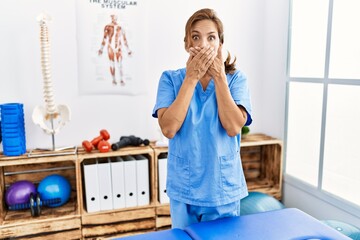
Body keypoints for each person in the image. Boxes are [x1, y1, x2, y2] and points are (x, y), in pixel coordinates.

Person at [152, 8, 252, 229]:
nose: (204, 44)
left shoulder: (236, 80)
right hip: (184, 188)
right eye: (196, 37)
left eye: (211, 38)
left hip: (222, 189)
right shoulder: (170, 79)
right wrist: (191, 78)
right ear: (187, 43)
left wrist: (219, 77)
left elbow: (234, 127)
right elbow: (168, 129)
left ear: (220, 44)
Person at [98, 14, 132, 86]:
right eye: (113, 18)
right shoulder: (107, 27)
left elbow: (124, 39)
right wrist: (101, 49)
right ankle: (113, 79)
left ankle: (121, 79)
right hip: (110, 47)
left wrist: (128, 50)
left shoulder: (120, 27)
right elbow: (104, 38)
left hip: (118, 47)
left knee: (120, 64)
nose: (114, 19)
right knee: (112, 64)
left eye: (115, 18)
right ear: (111, 18)